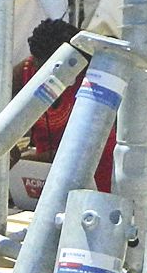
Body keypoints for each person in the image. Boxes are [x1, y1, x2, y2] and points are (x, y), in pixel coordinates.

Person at [15, 16, 114, 189]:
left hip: (95, 169)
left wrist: (31, 158)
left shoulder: (90, 75)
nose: (45, 73)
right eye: (40, 66)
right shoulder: (24, 72)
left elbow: (85, 144)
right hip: (42, 175)